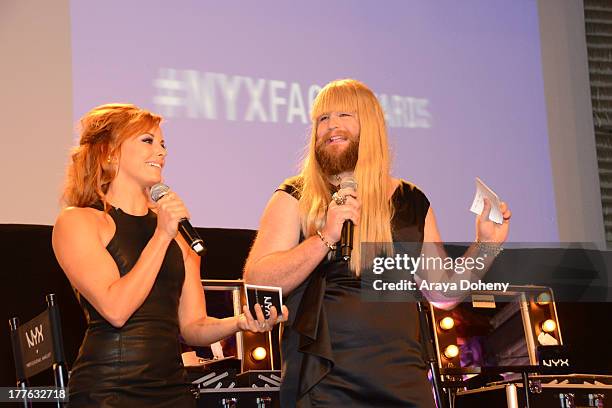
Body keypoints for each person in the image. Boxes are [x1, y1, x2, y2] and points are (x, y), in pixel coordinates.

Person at [243, 79, 511, 407]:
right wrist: (325, 237)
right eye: (322, 119)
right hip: (324, 382)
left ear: (370, 125)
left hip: (402, 380)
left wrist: (485, 246)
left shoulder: (411, 201)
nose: (331, 126)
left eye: (344, 114)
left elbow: (442, 293)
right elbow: (259, 280)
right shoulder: (296, 196)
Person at [52, 103, 288, 407]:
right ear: (109, 152)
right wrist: (162, 235)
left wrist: (240, 322)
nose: (161, 152)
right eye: (148, 141)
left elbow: (193, 327)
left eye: (163, 144)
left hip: (172, 388)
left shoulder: (179, 234)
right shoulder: (80, 221)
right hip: (108, 389)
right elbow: (116, 308)